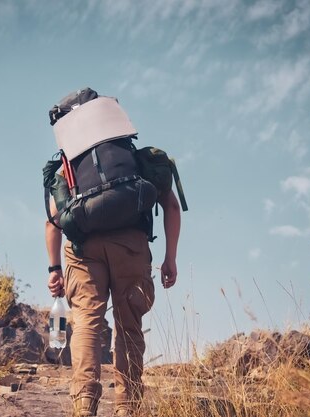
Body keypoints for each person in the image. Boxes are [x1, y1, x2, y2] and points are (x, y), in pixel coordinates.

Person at [44, 106, 182, 415]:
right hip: (131, 245)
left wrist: (55, 269)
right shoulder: (131, 158)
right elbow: (171, 208)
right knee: (129, 325)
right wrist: (169, 259)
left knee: (86, 323)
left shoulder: (68, 169)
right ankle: (126, 407)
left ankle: (83, 405)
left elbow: (52, 221)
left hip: (83, 249)